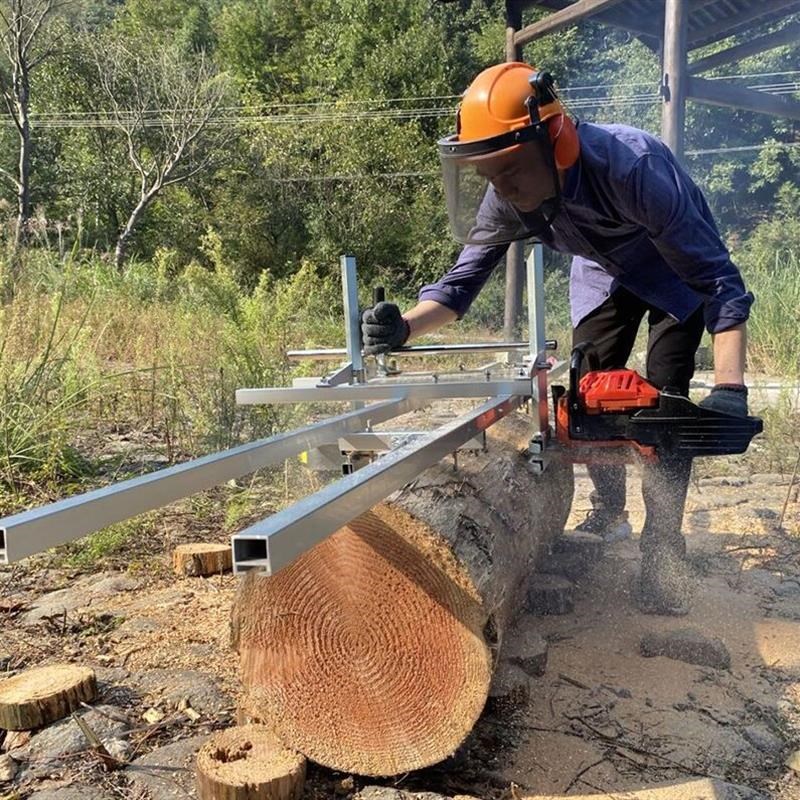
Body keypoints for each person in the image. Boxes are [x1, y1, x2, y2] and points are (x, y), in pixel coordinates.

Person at [360, 62, 753, 616]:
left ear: (557, 144)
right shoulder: (508, 191)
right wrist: (403, 326)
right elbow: (461, 284)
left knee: (665, 412)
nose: (503, 188)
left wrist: (731, 389)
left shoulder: (633, 169)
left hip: (674, 271)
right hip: (602, 271)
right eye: (488, 174)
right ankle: (610, 512)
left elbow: (717, 281)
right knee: (588, 398)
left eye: (510, 170)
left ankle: (664, 551)